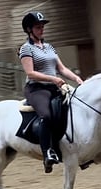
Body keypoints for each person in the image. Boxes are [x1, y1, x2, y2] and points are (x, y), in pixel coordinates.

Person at [19, 11, 83, 174]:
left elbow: (60, 68)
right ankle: (48, 152)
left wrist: (76, 78)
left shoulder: (49, 47)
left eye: (42, 27)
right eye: (38, 27)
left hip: (54, 87)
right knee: (46, 115)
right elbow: (31, 73)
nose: (42, 29)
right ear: (29, 29)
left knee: (75, 107)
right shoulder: (26, 48)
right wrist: (53, 79)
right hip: (37, 89)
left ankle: (79, 149)